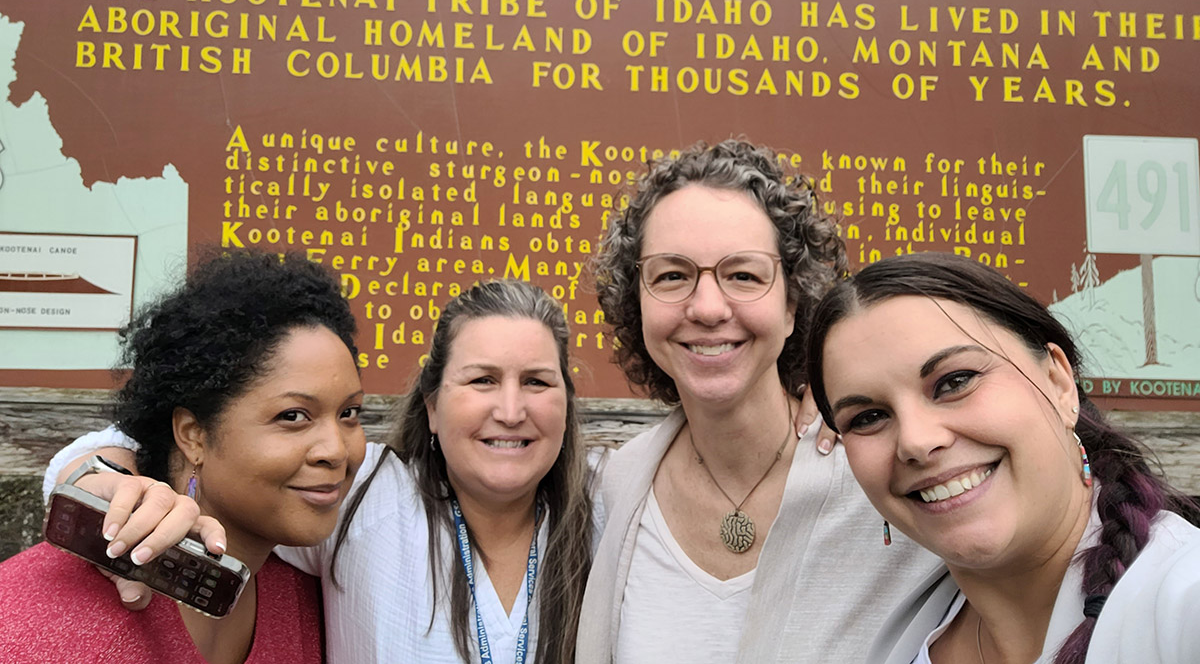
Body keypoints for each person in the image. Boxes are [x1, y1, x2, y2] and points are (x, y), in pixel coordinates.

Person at [44, 278, 593, 664]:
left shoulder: (614, 506)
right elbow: (167, 439)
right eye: (482, 380)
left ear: (567, 403)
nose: (512, 410)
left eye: (539, 382)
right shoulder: (360, 494)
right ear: (431, 403)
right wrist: (102, 482)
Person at [576, 140, 939, 664]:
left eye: (743, 275)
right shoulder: (620, 489)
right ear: (636, 302)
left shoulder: (878, 473)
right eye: (672, 275)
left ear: (793, 303)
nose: (706, 307)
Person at [805, 252, 1200, 664]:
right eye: (869, 417)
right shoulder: (898, 636)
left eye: (954, 382)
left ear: (1058, 382)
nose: (917, 442)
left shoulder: (1185, 604)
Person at [2, 250, 366, 664]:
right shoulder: (41, 628)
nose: (336, 450)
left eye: (350, 413)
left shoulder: (302, 594)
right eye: (293, 416)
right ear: (193, 435)